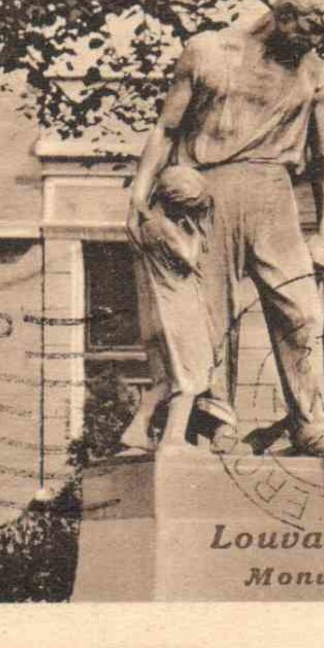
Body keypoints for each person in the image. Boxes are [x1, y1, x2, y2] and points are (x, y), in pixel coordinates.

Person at [125, 0, 324, 464]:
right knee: (210, 319)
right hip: (209, 191)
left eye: (321, 39)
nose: (313, 45)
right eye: (309, 32)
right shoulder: (209, 51)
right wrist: (139, 193)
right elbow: (167, 127)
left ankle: (312, 429)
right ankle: (215, 427)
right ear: (284, 14)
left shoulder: (315, 73)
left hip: (273, 193)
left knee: (303, 311)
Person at [124, 165, 215, 451]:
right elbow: (188, 258)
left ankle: (135, 432)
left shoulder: (142, 227)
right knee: (190, 376)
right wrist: (194, 234)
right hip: (178, 312)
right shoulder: (164, 227)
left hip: (155, 314)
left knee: (163, 381)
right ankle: (174, 439)